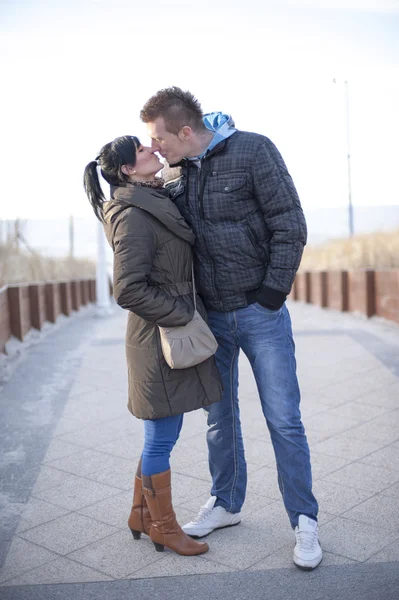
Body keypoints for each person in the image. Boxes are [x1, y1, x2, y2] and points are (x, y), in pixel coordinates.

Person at [140, 87, 322, 570]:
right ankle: (226, 503)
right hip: (210, 321)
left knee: (283, 418)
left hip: (260, 314)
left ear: (184, 131)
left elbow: (290, 222)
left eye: (158, 138)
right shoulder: (176, 173)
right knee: (220, 420)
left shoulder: (254, 149)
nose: (155, 148)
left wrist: (271, 295)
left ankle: (304, 520)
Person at [83, 135, 222, 556]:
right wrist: (182, 316)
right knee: (161, 436)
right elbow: (127, 289)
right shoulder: (131, 215)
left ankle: (141, 514)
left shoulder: (151, 200)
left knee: (165, 431)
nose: (152, 151)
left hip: (165, 330)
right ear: (127, 169)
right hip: (157, 337)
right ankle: (164, 526)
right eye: (142, 151)